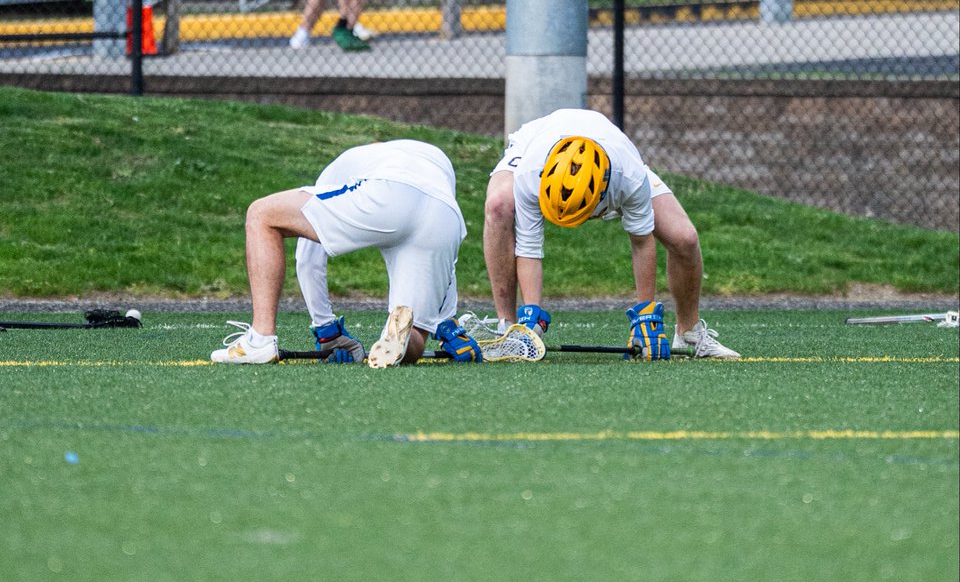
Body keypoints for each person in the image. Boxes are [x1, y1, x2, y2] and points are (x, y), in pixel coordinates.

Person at [481, 108, 740, 359]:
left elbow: (642, 243)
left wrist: (645, 315)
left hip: (611, 154)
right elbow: (529, 248)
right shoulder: (530, 175)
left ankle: (689, 332)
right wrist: (532, 314)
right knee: (498, 204)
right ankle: (510, 329)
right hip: (538, 142)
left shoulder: (629, 176)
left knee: (685, 238)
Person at [210, 140, 482, 367]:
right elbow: (447, 264)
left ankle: (259, 340)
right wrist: (448, 326)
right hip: (445, 215)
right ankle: (406, 339)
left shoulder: (345, 163)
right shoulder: (433, 158)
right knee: (414, 333)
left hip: (390, 191)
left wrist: (327, 331)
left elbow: (309, 257)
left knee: (262, 214)